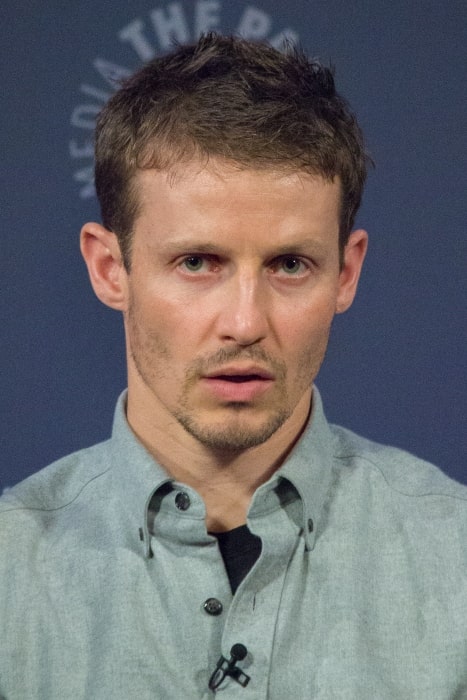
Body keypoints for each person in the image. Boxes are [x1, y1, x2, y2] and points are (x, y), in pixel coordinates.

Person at [0, 33, 466, 700]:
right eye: (197, 263)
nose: (245, 323)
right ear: (110, 269)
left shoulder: (455, 558)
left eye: (288, 265)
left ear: (346, 272)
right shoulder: (10, 569)